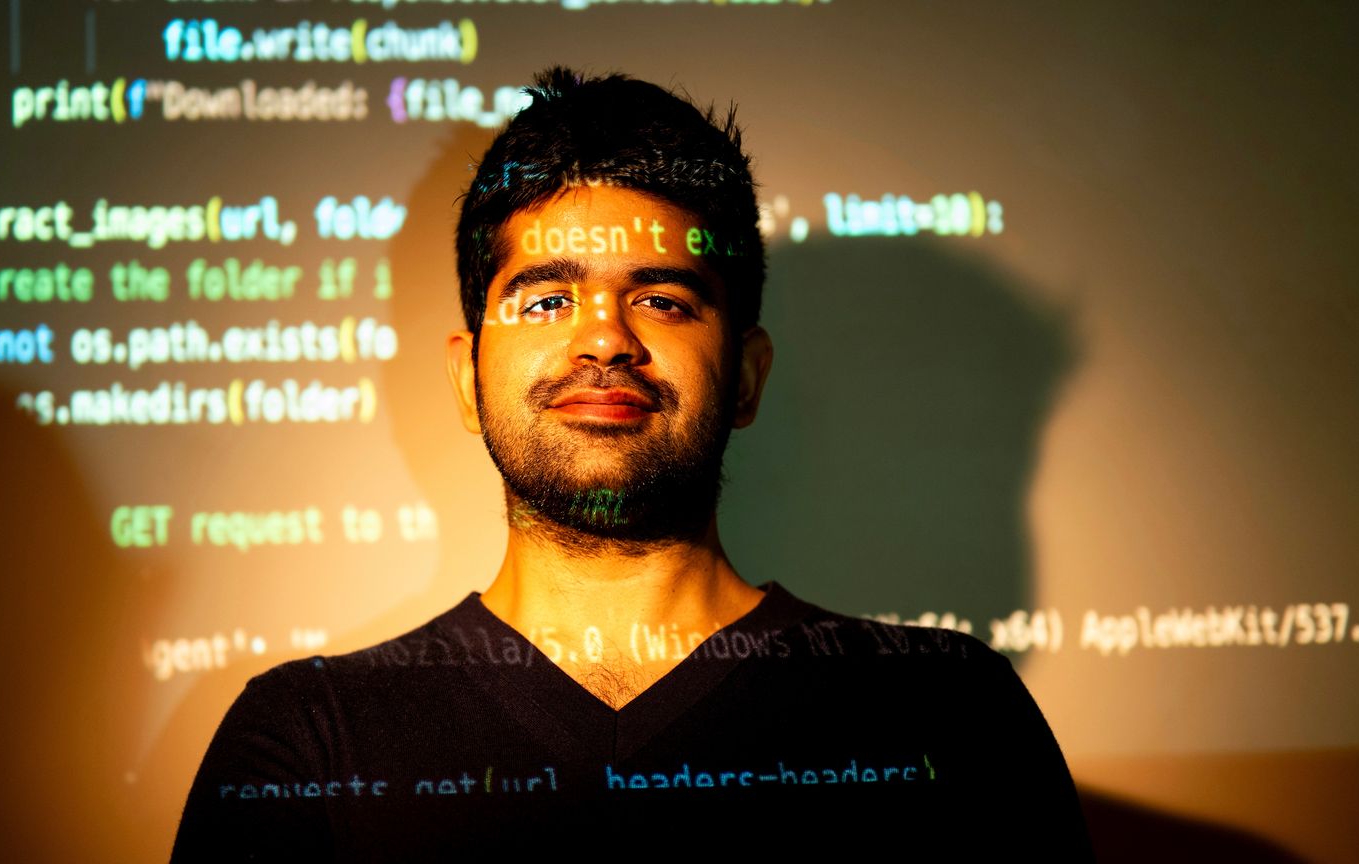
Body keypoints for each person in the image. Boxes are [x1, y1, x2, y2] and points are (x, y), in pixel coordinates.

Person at [171, 67, 1094, 861]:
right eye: (546, 301)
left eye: (661, 300)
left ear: (746, 376)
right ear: (466, 378)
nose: (605, 340)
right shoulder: (309, 741)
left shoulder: (947, 713)